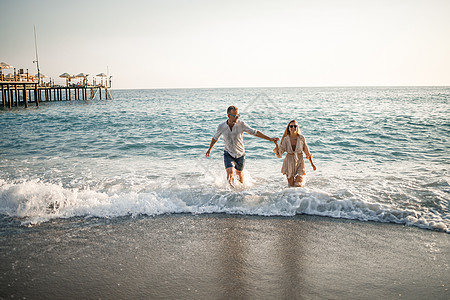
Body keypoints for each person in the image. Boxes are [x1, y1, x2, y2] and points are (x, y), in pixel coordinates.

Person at [206, 105, 279, 186]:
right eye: (235, 116)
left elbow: (255, 132)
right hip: (228, 153)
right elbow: (215, 138)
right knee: (230, 173)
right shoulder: (221, 126)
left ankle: (241, 192)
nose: (237, 117)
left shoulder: (241, 124)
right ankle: (231, 193)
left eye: (238, 115)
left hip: (240, 154)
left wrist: (270, 139)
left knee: (239, 174)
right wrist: (209, 149)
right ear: (228, 116)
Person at [273, 120, 316, 187]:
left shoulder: (301, 138)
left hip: (299, 160)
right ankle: (291, 197)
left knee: (299, 183)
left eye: (295, 126)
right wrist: (276, 145)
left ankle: (302, 196)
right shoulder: (286, 139)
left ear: (297, 127)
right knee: (291, 184)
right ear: (288, 128)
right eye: (291, 126)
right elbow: (280, 152)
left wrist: (312, 164)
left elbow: (307, 152)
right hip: (289, 161)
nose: (293, 127)